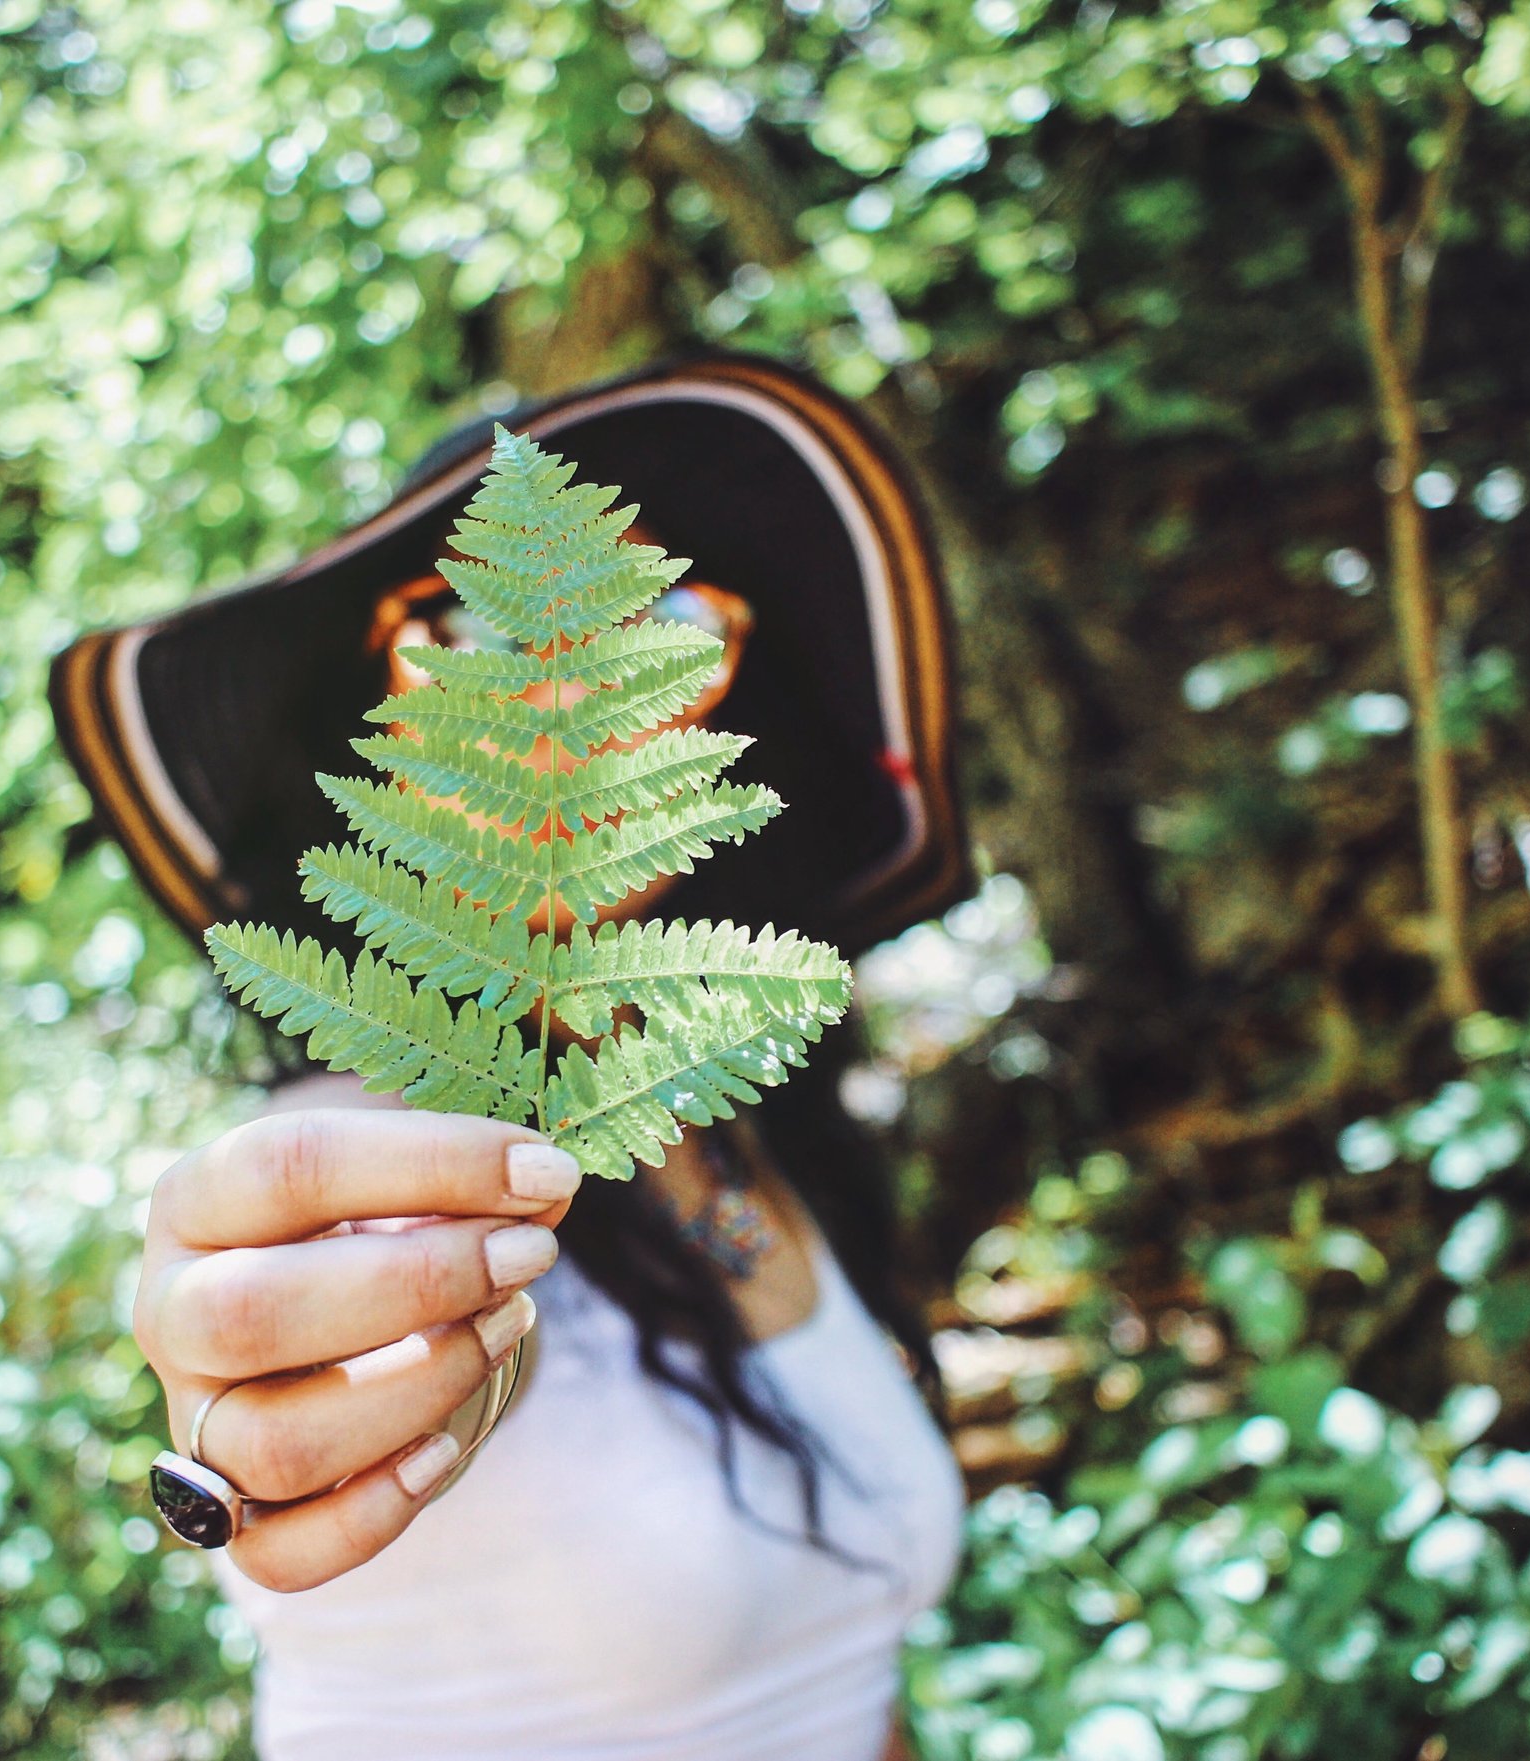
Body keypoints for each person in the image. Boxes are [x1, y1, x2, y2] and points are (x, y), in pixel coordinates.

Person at [50, 354, 975, 1760]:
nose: (562, 686)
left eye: (657, 620)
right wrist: (241, 1417)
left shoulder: (739, 1127)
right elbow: (309, 1310)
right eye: (466, 633)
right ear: (377, 746)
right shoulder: (381, 1154)